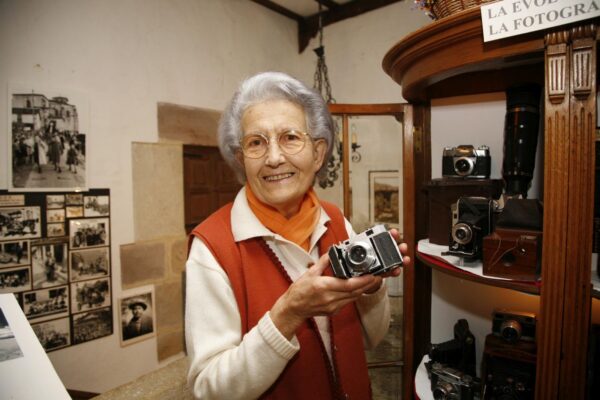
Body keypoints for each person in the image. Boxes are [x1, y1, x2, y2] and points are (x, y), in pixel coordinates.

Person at [185, 71, 411, 400]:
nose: (274, 158)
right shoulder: (212, 248)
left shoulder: (337, 221)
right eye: (256, 143)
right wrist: (288, 314)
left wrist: (371, 289)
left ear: (318, 153)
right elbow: (209, 389)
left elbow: (367, 341)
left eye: (290, 137)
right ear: (241, 160)